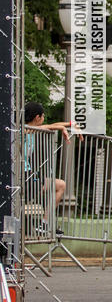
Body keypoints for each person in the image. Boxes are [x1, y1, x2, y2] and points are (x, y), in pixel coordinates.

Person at [24, 101, 80, 237]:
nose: (44, 119)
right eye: (43, 116)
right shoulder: (23, 130)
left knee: (60, 185)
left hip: (30, 176)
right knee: (58, 185)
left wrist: (69, 124)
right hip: (23, 177)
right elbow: (48, 127)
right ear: (37, 117)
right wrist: (61, 128)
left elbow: (50, 125)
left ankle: (44, 223)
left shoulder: (33, 129)